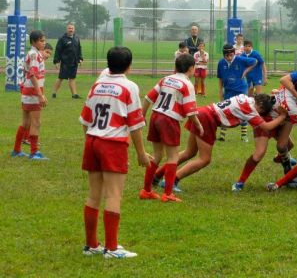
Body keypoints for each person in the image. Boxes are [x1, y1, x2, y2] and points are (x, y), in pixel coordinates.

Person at [80, 46, 151, 259]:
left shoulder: (97, 85)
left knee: (94, 195)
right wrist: (141, 153)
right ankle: (111, 248)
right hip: (113, 144)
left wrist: (92, 141)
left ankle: (91, 245)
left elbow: (85, 119)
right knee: (114, 195)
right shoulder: (129, 87)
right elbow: (135, 124)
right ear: (129, 65)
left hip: (93, 140)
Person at [170, 94, 287, 188]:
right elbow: (266, 127)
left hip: (202, 112)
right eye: (260, 112)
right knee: (204, 159)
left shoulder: (245, 97)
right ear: (260, 104)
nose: (258, 114)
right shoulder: (250, 109)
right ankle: (173, 180)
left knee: (189, 152)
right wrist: (282, 116)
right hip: (208, 118)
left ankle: (158, 175)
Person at [139, 54, 202, 203]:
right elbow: (190, 111)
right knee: (173, 157)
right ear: (191, 68)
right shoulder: (187, 84)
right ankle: (168, 194)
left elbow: (148, 98)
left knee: (157, 155)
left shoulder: (166, 79)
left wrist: (142, 116)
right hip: (169, 119)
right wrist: (199, 126)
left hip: (155, 116)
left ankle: (146, 190)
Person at [12, 30, 49, 160]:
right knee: (36, 122)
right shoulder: (34, 55)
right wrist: (40, 94)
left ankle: (16, 150)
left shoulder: (34, 53)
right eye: (41, 40)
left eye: (44, 40)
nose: (44, 43)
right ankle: (34, 153)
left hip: (27, 90)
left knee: (26, 123)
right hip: (33, 91)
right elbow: (32, 74)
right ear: (34, 41)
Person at [217, 44, 257, 142]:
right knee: (225, 111)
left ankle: (244, 136)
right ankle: (222, 136)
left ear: (234, 53)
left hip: (241, 89)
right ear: (224, 55)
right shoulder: (221, 63)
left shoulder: (240, 59)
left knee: (243, 111)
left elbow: (255, 61)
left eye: (231, 55)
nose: (229, 58)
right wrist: (220, 91)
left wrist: (246, 71)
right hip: (228, 90)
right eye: (227, 56)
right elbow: (220, 78)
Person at [51, 23, 83, 99]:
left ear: (74, 29)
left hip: (74, 62)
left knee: (72, 78)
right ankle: (54, 93)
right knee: (61, 78)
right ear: (67, 29)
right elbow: (58, 50)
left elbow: (79, 49)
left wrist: (80, 58)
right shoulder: (62, 38)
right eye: (69, 28)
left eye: (72, 28)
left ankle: (74, 94)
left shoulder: (76, 38)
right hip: (65, 63)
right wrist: (56, 61)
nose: (71, 30)